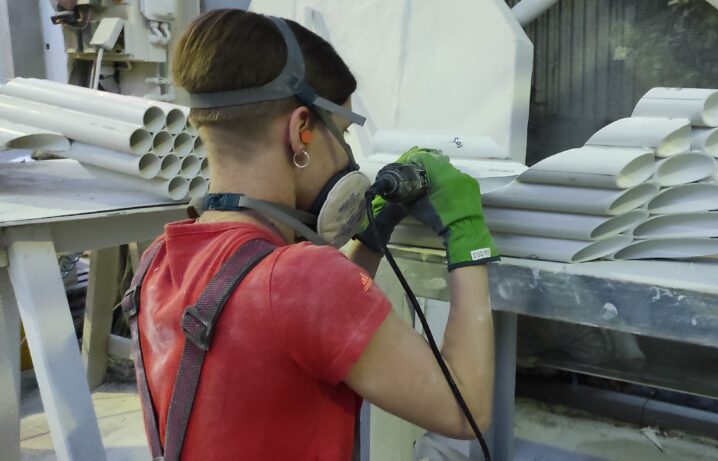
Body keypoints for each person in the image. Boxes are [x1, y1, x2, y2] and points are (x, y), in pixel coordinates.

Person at [130, 9, 497, 459]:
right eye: (341, 133)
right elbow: (465, 411)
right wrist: (466, 233)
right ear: (300, 130)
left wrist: (369, 238)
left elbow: (298, 326)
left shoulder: (159, 262)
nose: (347, 156)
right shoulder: (304, 280)